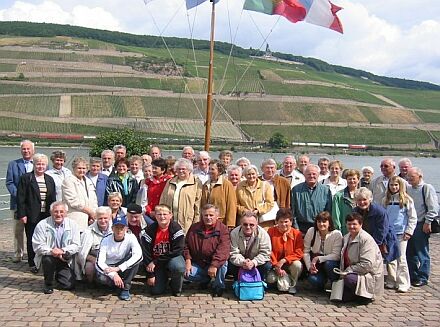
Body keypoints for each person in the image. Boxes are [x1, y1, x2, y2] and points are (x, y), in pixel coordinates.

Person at [17, 153, 56, 273]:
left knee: (46, 238)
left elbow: (53, 198)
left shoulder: (49, 179)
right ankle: (32, 262)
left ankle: (43, 260)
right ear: (34, 165)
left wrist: (54, 214)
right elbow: (21, 198)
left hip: (46, 214)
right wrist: (22, 214)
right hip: (31, 214)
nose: (40, 166)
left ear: (46, 166)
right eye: (38, 164)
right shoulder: (26, 178)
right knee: (32, 238)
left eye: (43, 164)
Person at [32, 202, 81, 294]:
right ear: (51, 212)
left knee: (69, 285)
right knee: (48, 260)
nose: (58, 214)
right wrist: (52, 251)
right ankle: (48, 284)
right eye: (56, 212)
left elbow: (76, 245)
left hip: (65, 258)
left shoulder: (73, 225)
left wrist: (63, 250)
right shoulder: (42, 225)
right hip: (49, 256)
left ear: (66, 213)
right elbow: (37, 245)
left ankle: (58, 274)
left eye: (61, 212)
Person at [184, 204, 230, 297]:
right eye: (206, 215)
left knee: (223, 262)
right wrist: (188, 260)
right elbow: (186, 245)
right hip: (199, 263)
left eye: (211, 215)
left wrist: (214, 265)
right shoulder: (194, 228)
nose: (208, 217)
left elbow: (223, 250)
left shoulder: (223, 229)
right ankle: (205, 280)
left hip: (215, 263)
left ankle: (218, 286)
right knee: (184, 272)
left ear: (217, 216)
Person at [338, 213, 384, 303]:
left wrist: (349, 270)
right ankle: (353, 293)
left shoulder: (366, 239)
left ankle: (365, 296)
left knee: (349, 279)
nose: (351, 226)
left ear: (360, 224)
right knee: (341, 298)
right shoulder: (346, 237)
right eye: (349, 224)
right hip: (352, 272)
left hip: (367, 274)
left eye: (354, 224)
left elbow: (367, 265)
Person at [141, 205, 185, 296]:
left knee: (178, 267)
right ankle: (163, 279)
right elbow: (146, 253)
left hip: (171, 259)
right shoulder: (149, 230)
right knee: (156, 291)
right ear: (155, 216)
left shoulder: (176, 228)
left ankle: (176, 288)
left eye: (165, 214)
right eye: (159, 214)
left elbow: (178, 250)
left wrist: (156, 261)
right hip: (156, 263)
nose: (162, 217)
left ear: (170, 215)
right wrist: (150, 275)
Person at [96, 215, 143, 301]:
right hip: (109, 267)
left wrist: (119, 268)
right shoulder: (105, 240)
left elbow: (139, 255)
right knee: (102, 279)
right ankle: (116, 285)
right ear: (112, 228)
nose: (119, 230)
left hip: (122, 266)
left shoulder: (131, 237)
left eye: (122, 227)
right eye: (116, 227)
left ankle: (125, 288)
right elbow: (99, 262)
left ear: (126, 229)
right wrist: (113, 275)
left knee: (136, 261)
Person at [383, 176, 417, 292]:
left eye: (396, 185)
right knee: (390, 258)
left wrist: (409, 231)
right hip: (389, 233)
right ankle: (391, 280)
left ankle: (403, 282)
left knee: (401, 258)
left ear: (400, 186)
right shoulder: (385, 200)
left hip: (401, 233)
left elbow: (412, 217)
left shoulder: (406, 199)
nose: (394, 187)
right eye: (392, 185)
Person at [406, 167, 439, 287]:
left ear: (419, 176)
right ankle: (413, 275)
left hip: (421, 223)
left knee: (422, 251)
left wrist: (428, 221)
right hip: (410, 223)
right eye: (408, 177)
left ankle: (423, 276)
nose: (409, 179)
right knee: (410, 252)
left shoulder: (427, 188)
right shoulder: (408, 188)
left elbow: (434, 208)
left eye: (412, 177)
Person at [6, 139, 34, 263]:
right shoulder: (13, 164)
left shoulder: (40, 163)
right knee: (18, 230)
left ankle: (33, 254)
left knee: (34, 229)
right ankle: (18, 253)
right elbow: (10, 182)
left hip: (34, 203)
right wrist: (20, 196)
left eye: (28, 149)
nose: (26, 151)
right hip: (17, 203)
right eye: (24, 149)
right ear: (21, 150)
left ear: (33, 150)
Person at [353, 187, 399, 264]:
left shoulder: (379, 212)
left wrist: (372, 246)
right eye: (359, 200)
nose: (362, 202)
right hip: (366, 243)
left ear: (370, 199)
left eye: (364, 199)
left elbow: (382, 231)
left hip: (385, 242)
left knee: (389, 269)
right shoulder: (355, 211)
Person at [160, 158, 202, 234]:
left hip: (186, 220)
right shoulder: (170, 181)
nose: (181, 171)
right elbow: (163, 199)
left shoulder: (196, 183)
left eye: (183, 169)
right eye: (179, 169)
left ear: (189, 170)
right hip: (170, 219)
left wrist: (196, 222)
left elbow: (198, 204)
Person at [267, 208, 303, 294]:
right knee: (270, 279)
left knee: (298, 265)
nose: (283, 224)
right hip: (274, 265)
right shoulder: (271, 231)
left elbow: (299, 251)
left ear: (291, 222)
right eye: (281, 222)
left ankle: (293, 284)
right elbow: (269, 250)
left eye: (286, 222)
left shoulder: (297, 234)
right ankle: (280, 281)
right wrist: (276, 265)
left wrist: (284, 260)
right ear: (277, 222)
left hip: (290, 264)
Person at [303, 211, 342, 291]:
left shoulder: (336, 234)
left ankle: (334, 284)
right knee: (314, 280)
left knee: (329, 264)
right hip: (317, 265)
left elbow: (336, 255)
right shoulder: (311, 231)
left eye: (324, 222)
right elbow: (305, 251)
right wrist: (309, 266)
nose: (321, 224)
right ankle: (321, 282)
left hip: (330, 262)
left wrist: (319, 258)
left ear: (329, 223)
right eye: (319, 221)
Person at [229, 211, 272, 281]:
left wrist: (254, 262)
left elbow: (265, 253)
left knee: (267, 265)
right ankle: (238, 280)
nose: (248, 227)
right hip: (240, 263)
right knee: (229, 264)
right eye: (245, 224)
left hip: (257, 263)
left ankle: (259, 280)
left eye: (251, 225)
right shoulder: (234, 233)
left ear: (257, 224)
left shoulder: (263, 234)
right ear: (241, 224)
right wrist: (243, 262)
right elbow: (233, 253)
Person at [291, 164, 332, 234]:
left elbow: (329, 211)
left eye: (314, 174)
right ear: (304, 175)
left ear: (318, 175)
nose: (311, 176)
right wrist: (296, 228)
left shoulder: (326, 191)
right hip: (301, 228)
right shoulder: (296, 190)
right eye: (309, 174)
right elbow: (293, 211)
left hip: (320, 227)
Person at [77, 206, 112, 283]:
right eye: (100, 218)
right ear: (96, 218)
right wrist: (95, 260)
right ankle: (91, 284)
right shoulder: (88, 232)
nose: (103, 221)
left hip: (111, 260)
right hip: (94, 260)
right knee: (89, 268)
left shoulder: (115, 230)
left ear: (110, 218)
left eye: (105, 218)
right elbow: (82, 252)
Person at [62, 157, 98, 232]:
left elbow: (94, 199)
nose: (82, 170)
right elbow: (73, 201)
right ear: (74, 168)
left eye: (84, 168)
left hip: (90, 220)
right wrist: (90, 212)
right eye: (79, 168)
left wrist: (94, 214)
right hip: (75, 218)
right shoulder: (68, 181)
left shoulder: (88, 181)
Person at [201, 160, 237, 229]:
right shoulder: (206, 184)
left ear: (219, 171)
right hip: (207, 222)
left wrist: (230, 224)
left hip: (221, 222)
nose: (210, 171)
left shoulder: (227, 185)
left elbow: (231, 205)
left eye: (213, 169)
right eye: (209, 169)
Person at [332, 169, 361, 235]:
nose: (352, 181)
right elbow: (336, 215)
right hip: (345, 230)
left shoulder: (363, 195)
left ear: (358, 180)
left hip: (360, 229)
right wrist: (338, 230)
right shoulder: (338, 195)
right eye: (349, 179)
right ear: (346, 180)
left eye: (354, 179)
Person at [144, 158, 171, 225]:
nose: (153, 170)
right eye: (152, 168)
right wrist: (149, 211)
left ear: (163, 170)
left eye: (155, 168)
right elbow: (144, 198)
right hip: (149, 213)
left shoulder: (169, 181)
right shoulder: (148, 181)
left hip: (163, 214)